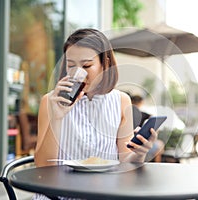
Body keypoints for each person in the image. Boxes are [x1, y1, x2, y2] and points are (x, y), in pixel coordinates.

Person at [33, 28, 158, 199]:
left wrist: (140, 152)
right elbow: (42, 168)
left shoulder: (121, 101)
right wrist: (57, 117)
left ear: (104, 64)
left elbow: (125, 165)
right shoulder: (50, 101)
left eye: (86, 65)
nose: (78, 73)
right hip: (58, 195)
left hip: (102, 194)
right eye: (71, 65)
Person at [130, 95, 165, 162]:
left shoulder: (140, 114)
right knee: (160, 145)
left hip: (138, 140)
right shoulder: (143, 114)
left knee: (159, 144)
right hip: (136, 142)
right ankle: (156, 164)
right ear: (141, 103)